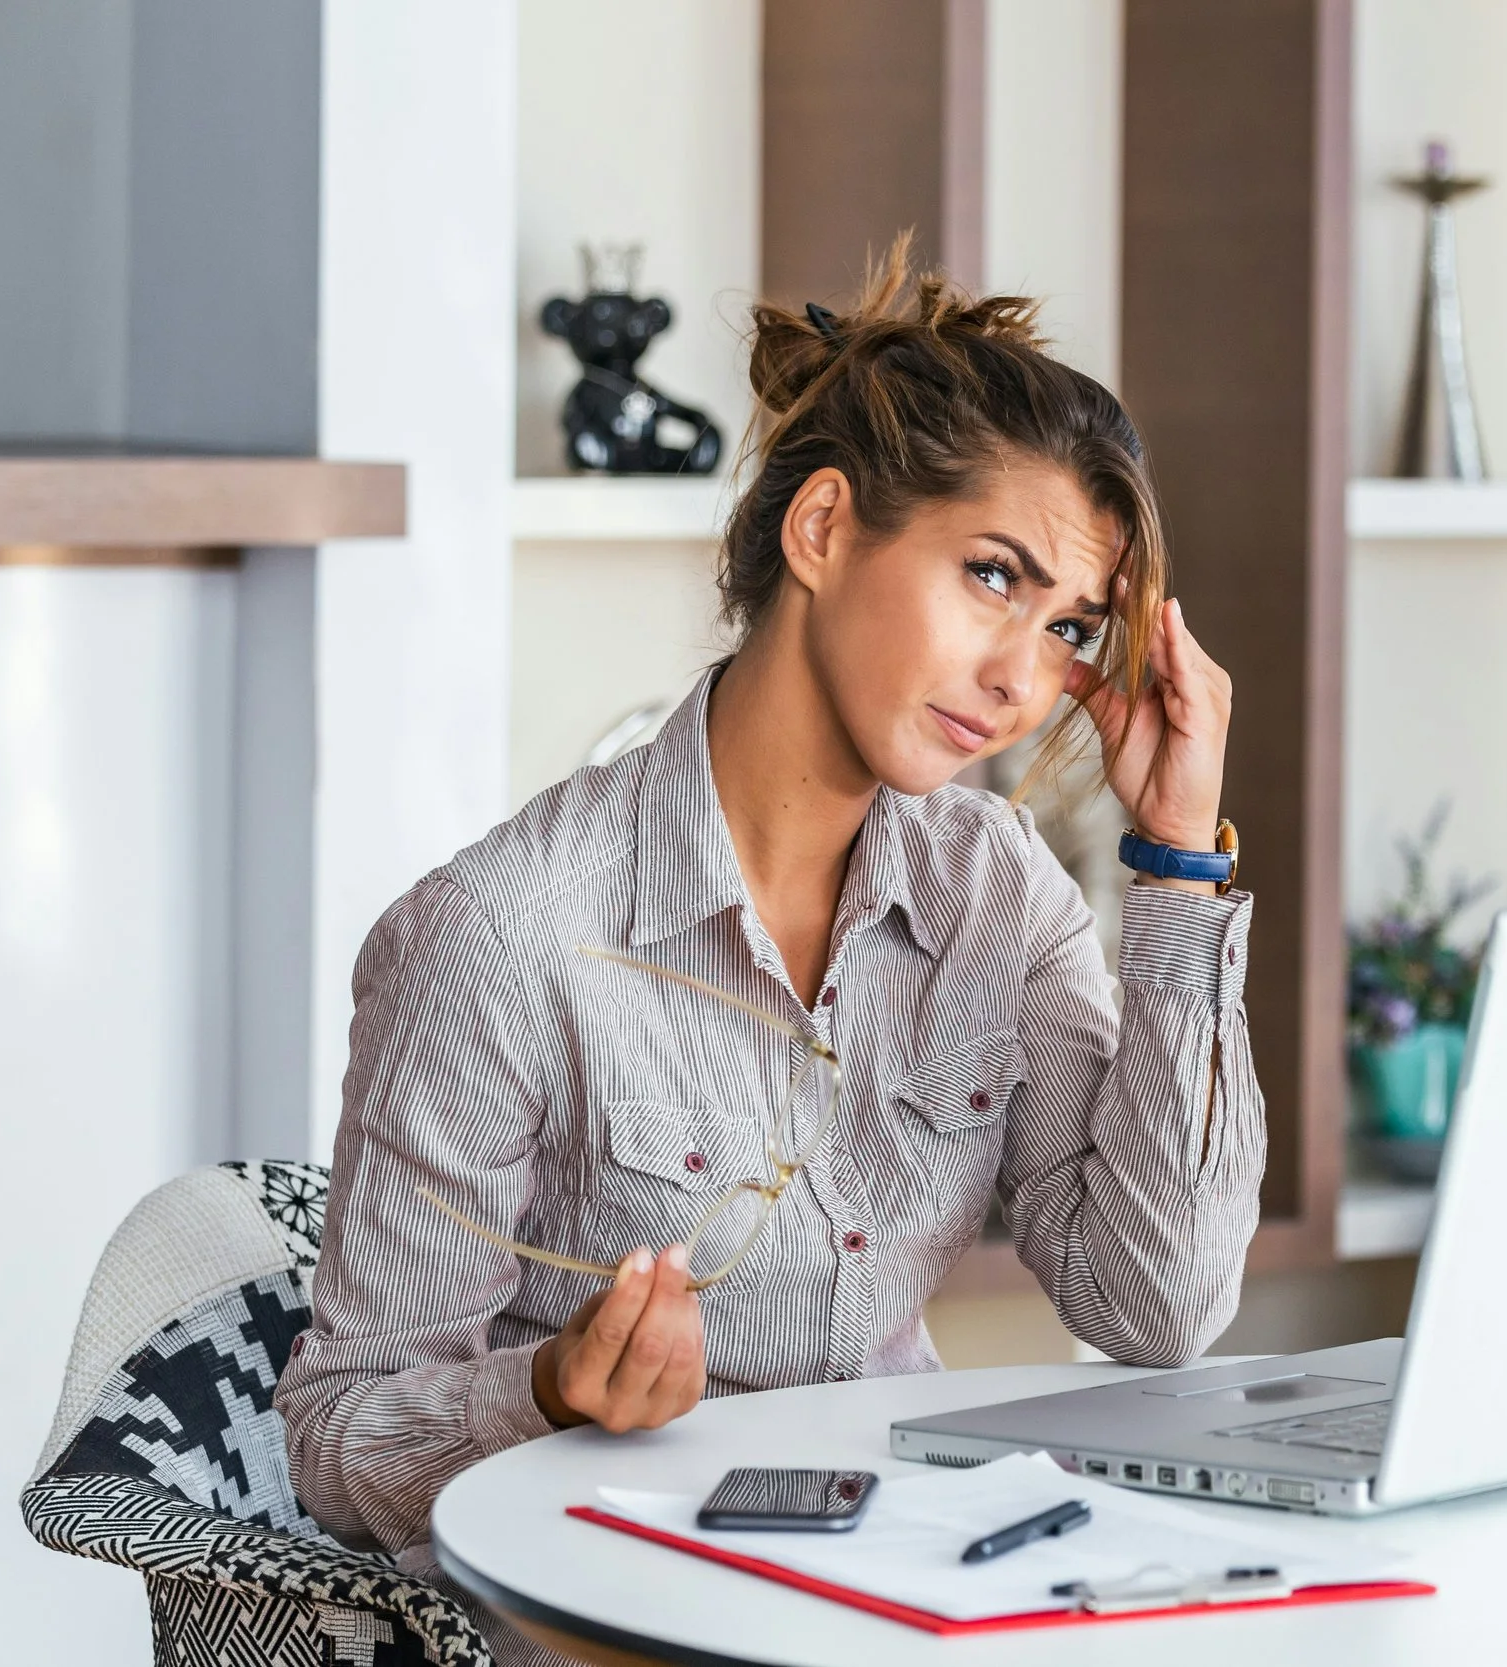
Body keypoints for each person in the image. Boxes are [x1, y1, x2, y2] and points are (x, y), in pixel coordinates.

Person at [272, 245, 1265, 1645]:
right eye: (992, 576)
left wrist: (1175, 863)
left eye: (1066, 630)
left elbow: (1155, 1304)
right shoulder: (504, 935)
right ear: (820, 530)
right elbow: (337, 1429)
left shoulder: (998, 892)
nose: (1021, 677)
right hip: (609, 1622)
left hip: (903, 1593)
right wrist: (551, 1386)